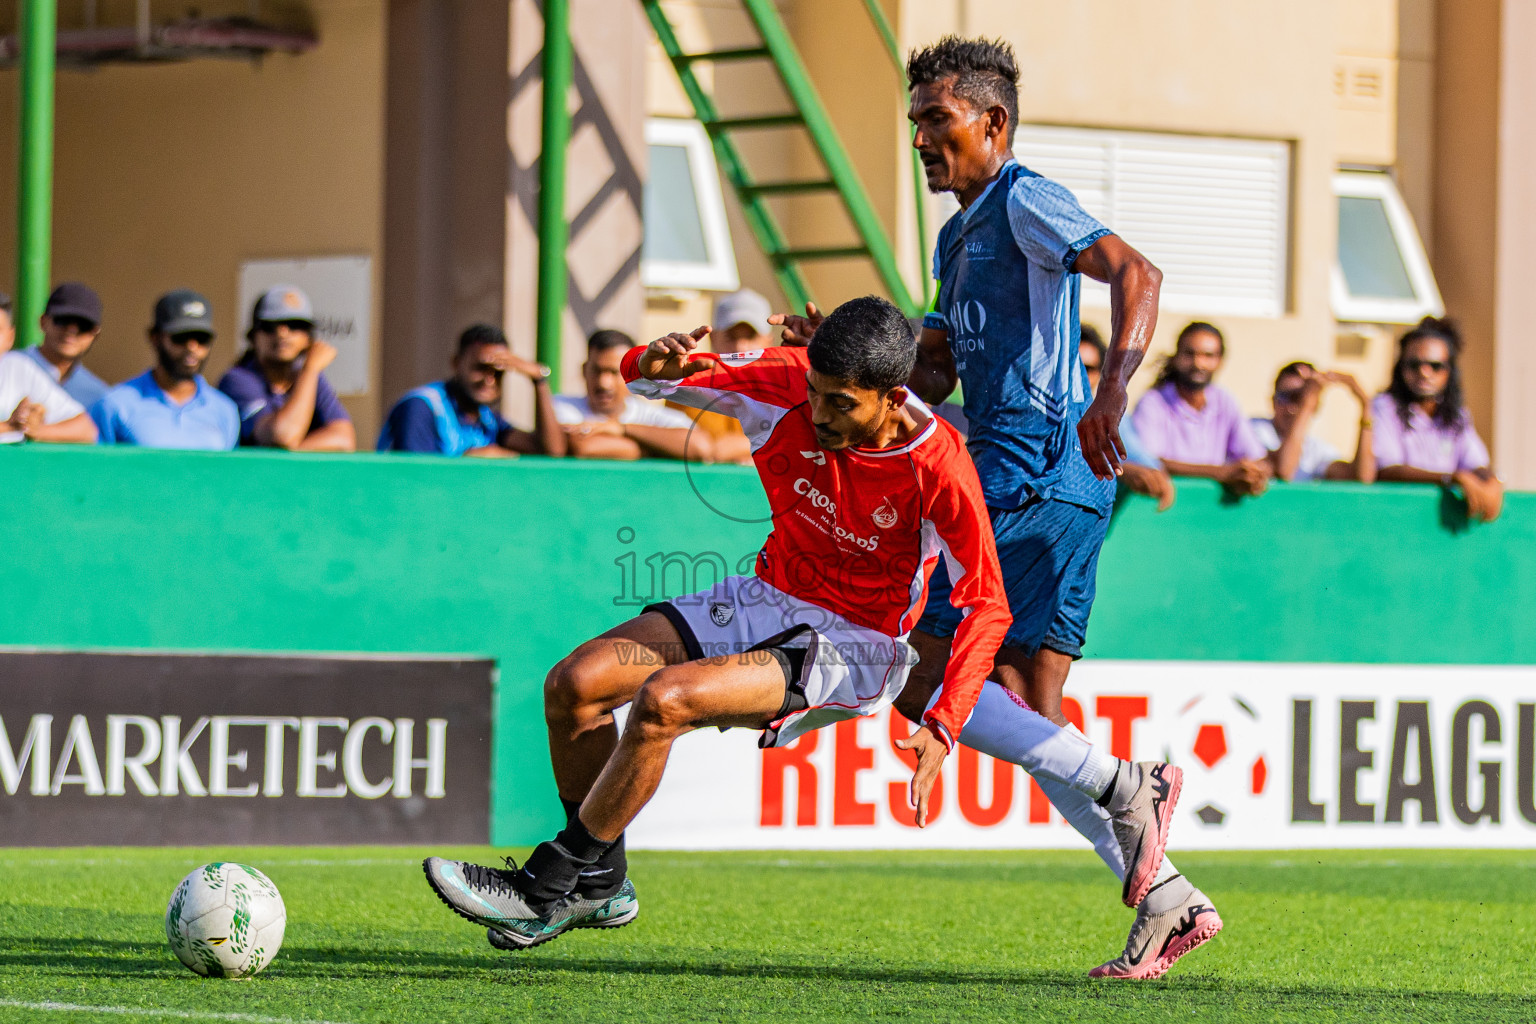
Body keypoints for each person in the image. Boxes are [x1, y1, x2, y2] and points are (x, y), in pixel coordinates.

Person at [422, 297, 1183, 955]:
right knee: (575, 685)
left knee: (665, 701)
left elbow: (988, 603)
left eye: (840, 403)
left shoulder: (939, 464)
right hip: (764, 594)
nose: (818, 415)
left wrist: (945, 722)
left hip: (853, 645)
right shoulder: (790, 378)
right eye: (814, 392)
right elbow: (655, 377)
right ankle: (604, 883)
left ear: (893, 396)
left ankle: (548, 885)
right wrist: (649, 361)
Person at [777, 37, 1216, 980]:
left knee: (919, 666)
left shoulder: (1022, 195)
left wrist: (1117, 390)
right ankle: (1168, 895)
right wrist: (848, 351)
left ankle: (1131, 790)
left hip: (1033, 474)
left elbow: (1138, 273)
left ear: (994, 121)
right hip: (1064, 485)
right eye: (916, 124)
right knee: (1030, 710)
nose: (922, 139)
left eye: (937, 121)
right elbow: (936, 365)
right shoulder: (956, 235)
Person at [1371, 317, 1502, 521]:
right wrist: (1451, 478)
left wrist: (1491, 481)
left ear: (1449, 371)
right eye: (1414, 365)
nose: (1424, 373)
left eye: (1435, 366)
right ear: (1400, 368)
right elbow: (1386, 470)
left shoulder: (1457, 416)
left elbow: (1476, 463)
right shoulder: (1384, 407)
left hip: (1443, 527)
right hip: (1398, 519)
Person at [377, 323, 565, 458]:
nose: (489, 380)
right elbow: (414, 477)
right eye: (480, 368)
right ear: (456, 363)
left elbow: (552, 452)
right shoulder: (421, 407)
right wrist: (468, 461)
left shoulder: (488, 419)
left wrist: (539, 380)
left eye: (498, 373)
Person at [1130, 322, 1270, 498]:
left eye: (1208, 355)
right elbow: (1149, 463)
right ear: (1176, 357)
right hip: (1167, 505)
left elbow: (1255, 456)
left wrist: (1252, 473)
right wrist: (1221, 473)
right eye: (1190, 354)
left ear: (1220, 361)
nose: (1198, 363)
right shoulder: (1153, 402)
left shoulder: (1224, 401)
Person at [90, 290, 239, 450]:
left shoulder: (225, 410)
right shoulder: (115, 404)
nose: (192, 348)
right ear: (155, 338)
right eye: (180, 337)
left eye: (202, 339)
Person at [218, 287, 355, 451]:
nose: (282, 333)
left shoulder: (310, 377)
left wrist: (294, 449)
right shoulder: (237, 379)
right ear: (253, 337)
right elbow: (283, 436)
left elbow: (344, 440)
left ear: (308, 338)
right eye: (270, 326)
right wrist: (310, 368)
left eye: (295, 325)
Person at [554, 330, 703, 461]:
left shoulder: (650, 415)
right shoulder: (560, 406)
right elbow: (583, 447)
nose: (604, 383)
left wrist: (621, 429)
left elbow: (700, 448)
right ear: (584, 370)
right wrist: (661, 448)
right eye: (597, 371)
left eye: (614, 372)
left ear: (633, 375)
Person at [663, 290, 774, 465]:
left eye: (750, 336)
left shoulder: (785, 387)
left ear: (768, 341)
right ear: (713, 338)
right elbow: (702, 448)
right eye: (731, 336)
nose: (740, 346)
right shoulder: (686, 384)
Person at [1081, 325, 1175, 511]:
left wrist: (1136, 472)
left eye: (1088, 368)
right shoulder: (1039, 411)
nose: (1080, 374)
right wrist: (1122, 472)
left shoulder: (1110, 416)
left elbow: (1147, 463)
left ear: (1100, 373)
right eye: (1073, 367)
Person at [1250, 362, 1375, 483]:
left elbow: (1361, 478)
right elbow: (1284, 471)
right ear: (1272, 401)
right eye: (1284, 397)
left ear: (1317, 406)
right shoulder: (1254, 429)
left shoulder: (1316, 449)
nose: (1291, 408)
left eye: (1298, 398)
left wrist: (1365, 405)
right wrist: (1307, 404)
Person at [21, 282, 112, 409]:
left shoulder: (99, 396)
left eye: (84, 325)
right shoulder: (7, 368)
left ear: (95, 334)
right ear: (43, 322)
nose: (71, 331)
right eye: (63, 320)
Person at [0, 348, 97, 444]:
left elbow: (85, 429)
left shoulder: (17, 366)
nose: (72, 331)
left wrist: (33, 429)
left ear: (11, 335)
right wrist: (9, 427)